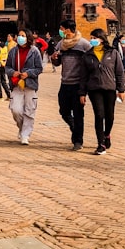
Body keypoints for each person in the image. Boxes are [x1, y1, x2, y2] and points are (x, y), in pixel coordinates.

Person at [82, 28, 125, 155]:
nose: (92, 40)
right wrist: (82, 93)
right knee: (99, 115)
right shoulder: (88, 55)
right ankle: (100, 143)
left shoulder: (112, 53)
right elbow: (83, 76)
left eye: (94, 38)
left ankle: (107, 135)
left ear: (101, 39)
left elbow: (119, 72)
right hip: (94, 88)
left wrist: (121, 89)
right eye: (91, 38)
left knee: (110, 116)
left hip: (109, 88)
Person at [51, 19, 91, 151]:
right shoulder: (61, 44)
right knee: (64, 111)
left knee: (79, 113)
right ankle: (75, 128)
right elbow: (58, 63)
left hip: (78, 84)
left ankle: (78, 141)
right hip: (65, 82)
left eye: (62, 29)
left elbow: (91, 61)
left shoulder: (83, 44)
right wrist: (54, 59)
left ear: (68, 30)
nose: (61, 31)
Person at [6, 28, 44, 146]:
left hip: (30, 85)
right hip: (17, 84)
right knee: (15, 110)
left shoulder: (34, 51)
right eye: (19, 35)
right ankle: (22, 128)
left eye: (23, 35)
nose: (20, 37)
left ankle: (25, 135)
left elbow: (39, 68)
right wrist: (13, 72)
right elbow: (7, 67)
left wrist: (28, 73)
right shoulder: (13, 51)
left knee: (29, 110)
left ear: (28, 38)